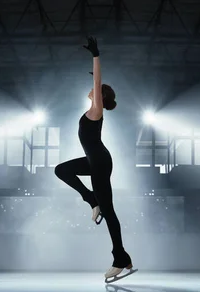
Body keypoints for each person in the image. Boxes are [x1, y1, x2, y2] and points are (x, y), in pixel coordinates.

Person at [54, 36, 134, 281]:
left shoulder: (97, 110)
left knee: (109, 211)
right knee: (61, 170)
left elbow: (98, 81)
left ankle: (120, 258)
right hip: (95, 159)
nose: (91, 88)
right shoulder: (92, 110)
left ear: (100, 96)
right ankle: (91, 200)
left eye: (95, 89)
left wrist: (96, 56)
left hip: (99, 161)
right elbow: (97, 84)